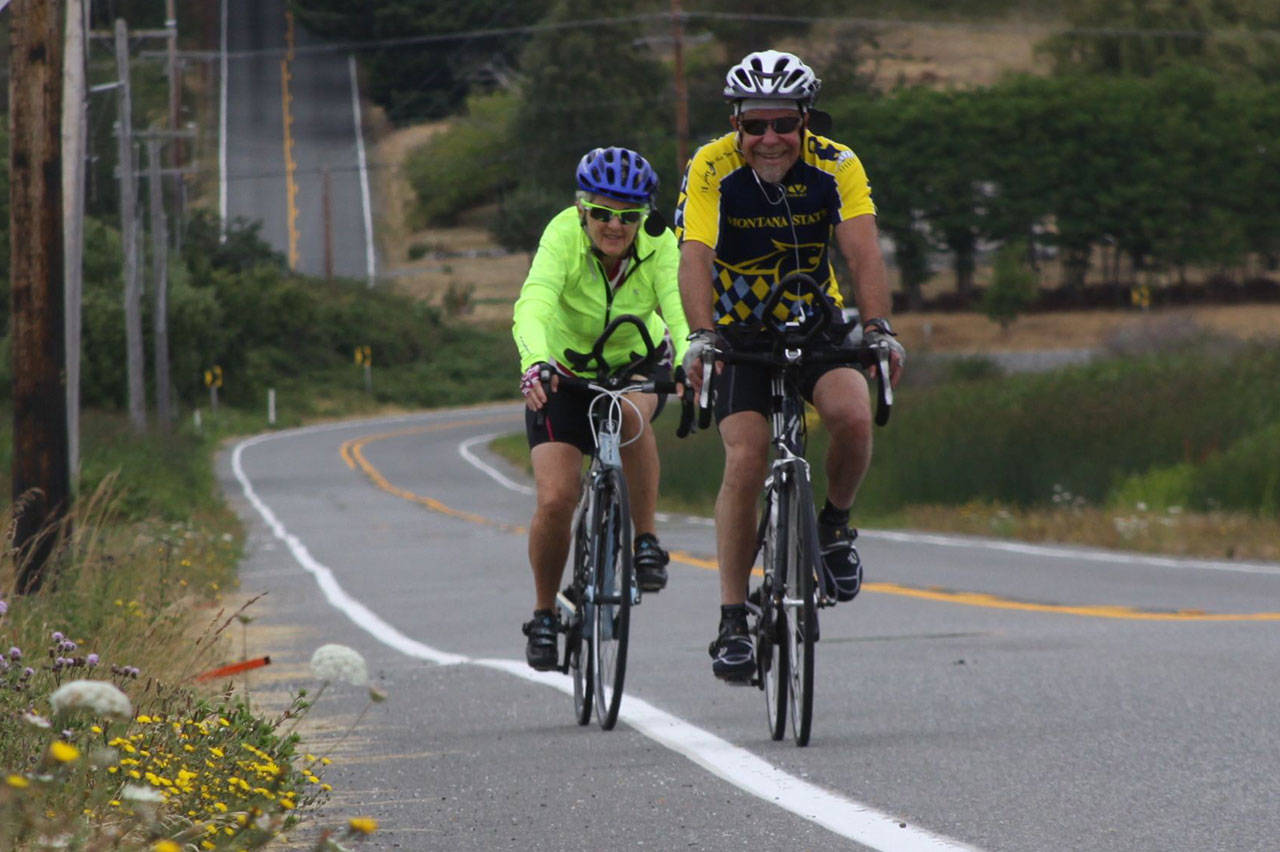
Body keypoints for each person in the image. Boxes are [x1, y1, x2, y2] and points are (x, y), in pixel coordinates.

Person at [674, 50, 906, 683]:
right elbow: (694, 255)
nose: (769, 139)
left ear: (806, 120)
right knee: (746, 459)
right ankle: (730, 622)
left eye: (783, 124)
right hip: (739, 331)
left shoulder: (837, 163)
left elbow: (862, 253)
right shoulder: (711, 165)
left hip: (813, 317)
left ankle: (833, 527)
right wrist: (699, 336)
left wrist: (880, 329)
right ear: (735, 124)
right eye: (754, 126)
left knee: (853, 416)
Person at [513, 146, 690, 671]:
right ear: (582, 208)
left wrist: (689, 358)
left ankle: (646, 540)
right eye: (604, 213)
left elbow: (678, 307)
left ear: (644, 217)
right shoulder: (562, 235)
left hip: (635, 361)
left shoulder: (660, 243)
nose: (616, 226)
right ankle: (545, 612)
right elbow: (535, 302)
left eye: (629, 216)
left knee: (629, 418)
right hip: (562, 373)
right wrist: (534, 361)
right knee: (556, 498)